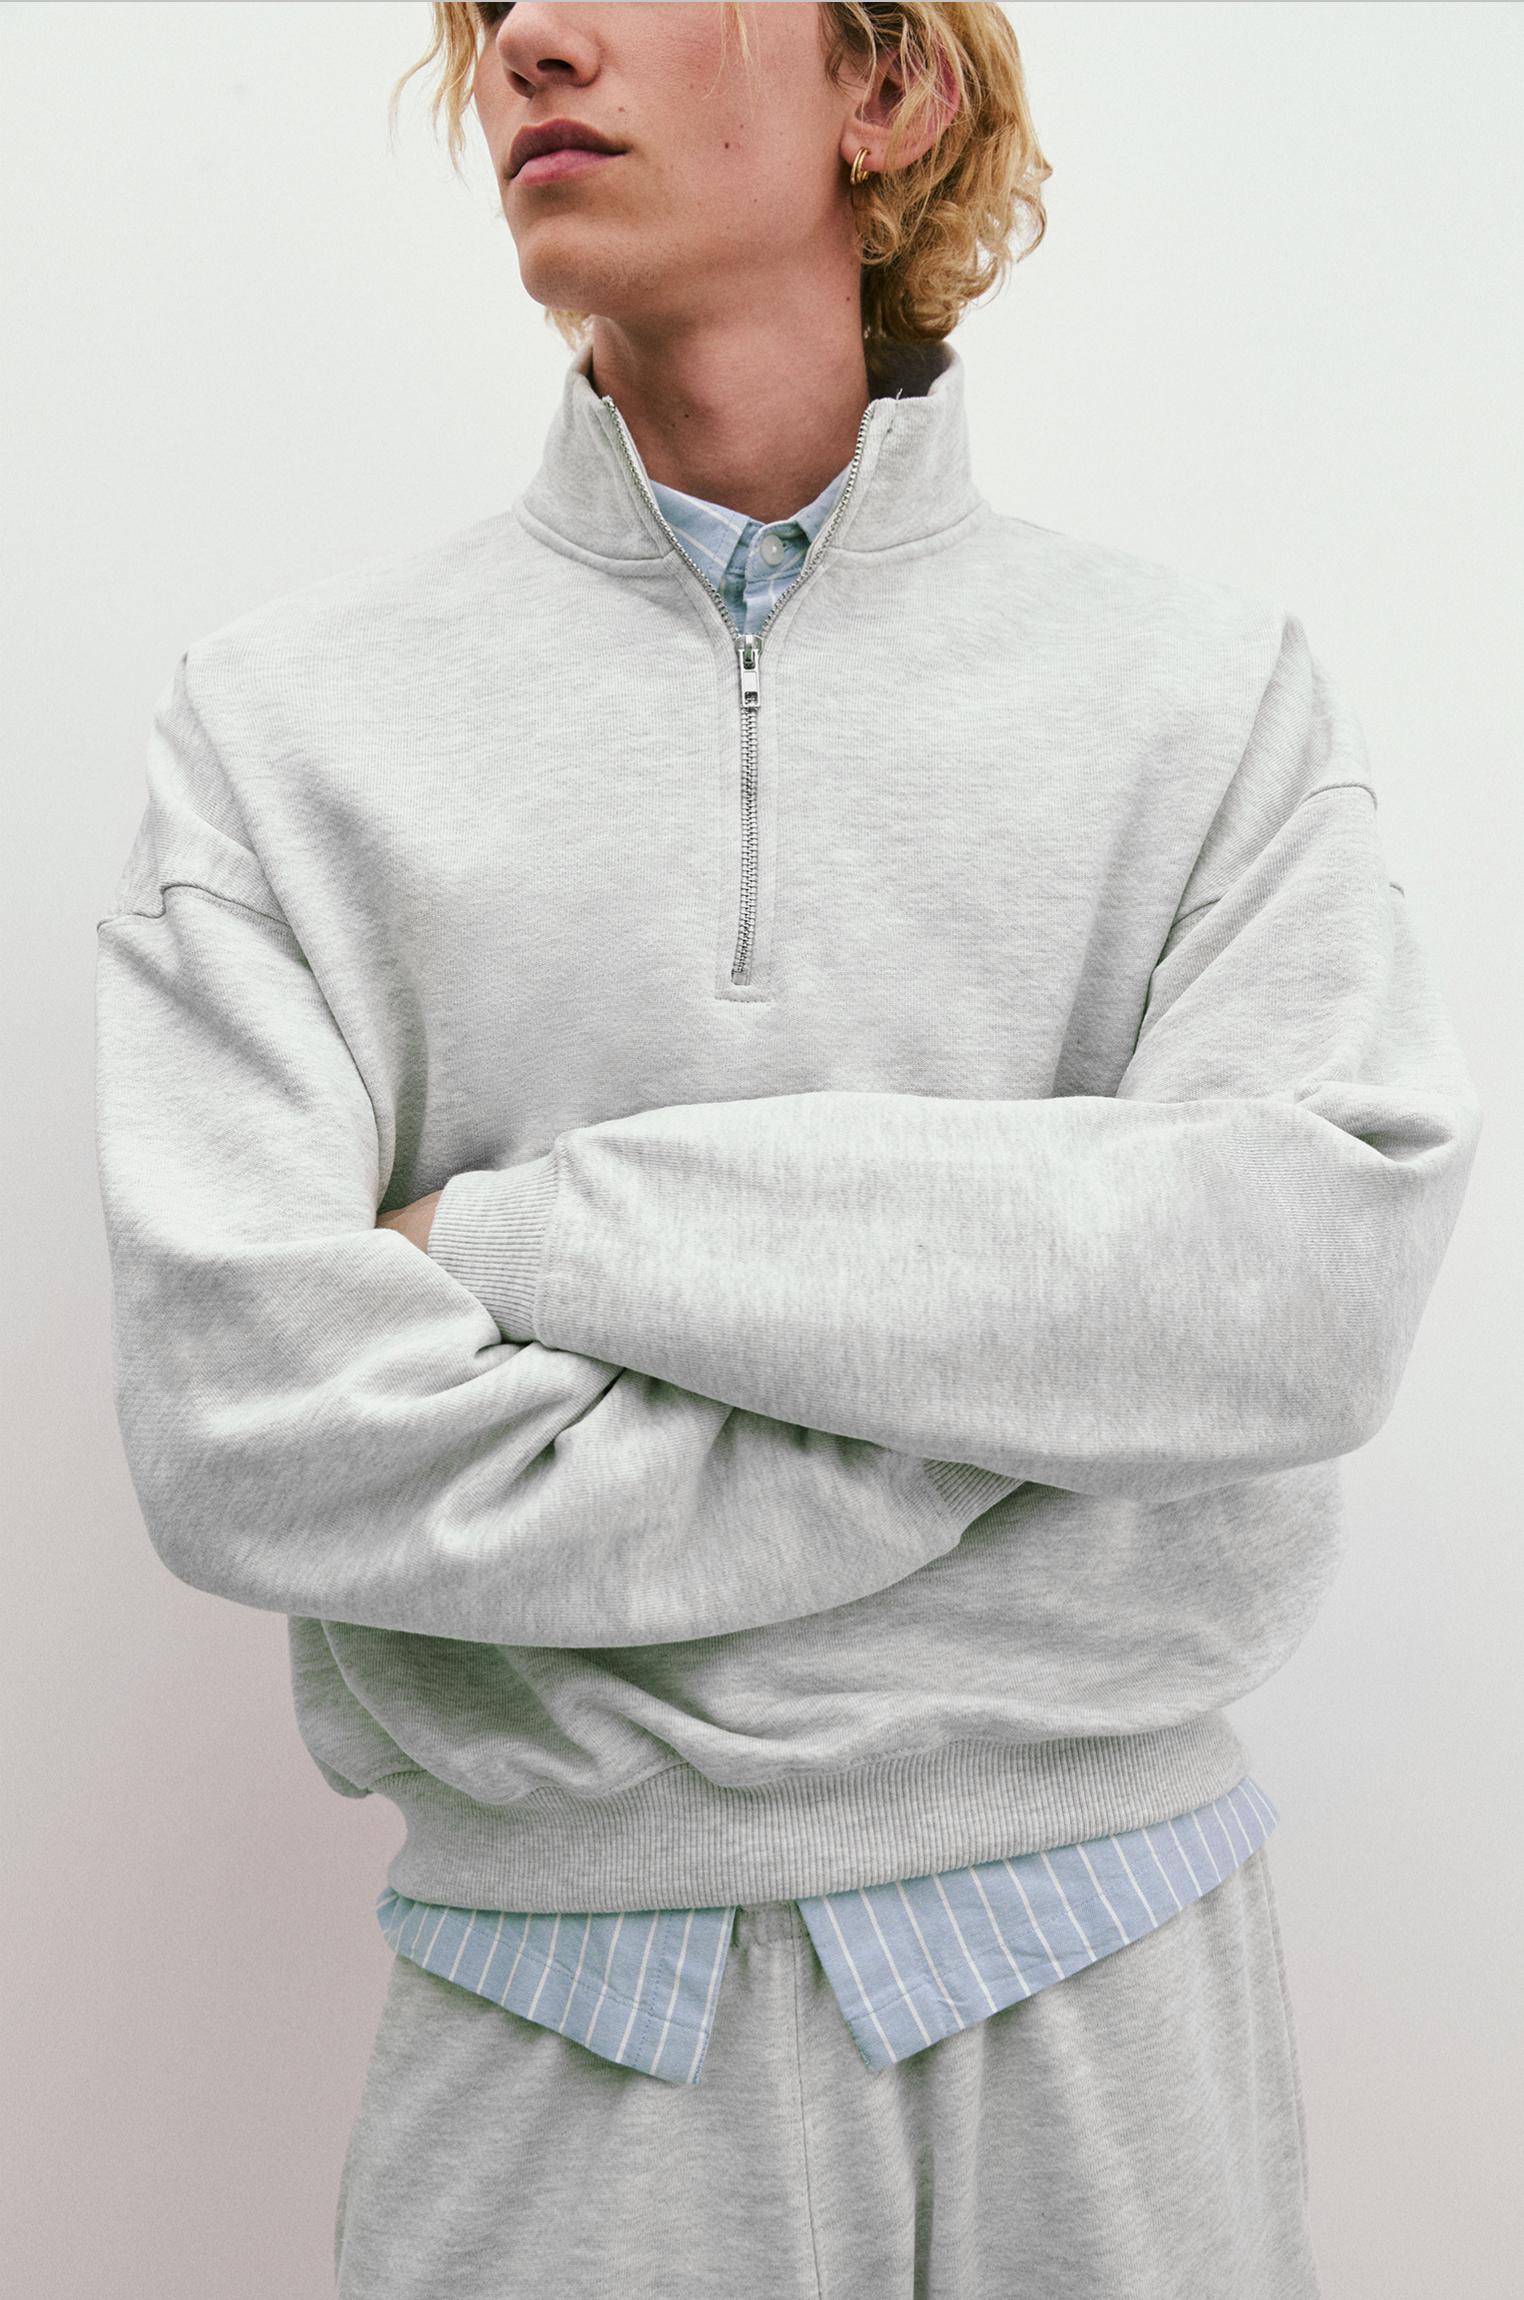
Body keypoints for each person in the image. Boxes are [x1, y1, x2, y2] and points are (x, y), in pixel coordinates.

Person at [92, 5, 1482, 2295]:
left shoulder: (1203, 698)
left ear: (889, 89)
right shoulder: (284, 730)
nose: (533, 40)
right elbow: (250, 1431)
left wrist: (526, 1235)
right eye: (495, 7)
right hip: (558, 2014)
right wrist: (1041, 1386)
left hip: (1104, 1984)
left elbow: (1305, 1289)